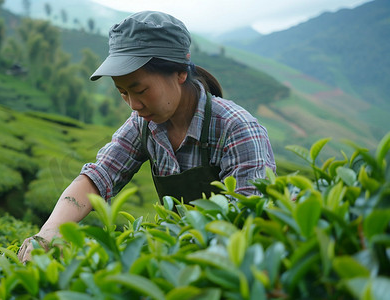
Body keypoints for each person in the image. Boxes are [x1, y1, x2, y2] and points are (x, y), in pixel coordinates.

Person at [18, 11, 275, 262]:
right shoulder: (144, 125)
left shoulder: (236, 129)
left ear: (180, 72)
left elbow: (246, 222)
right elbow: (99, 176)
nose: (133, 104)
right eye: (123, 93)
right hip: (177, 258)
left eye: (140, 90)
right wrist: (49, 232)